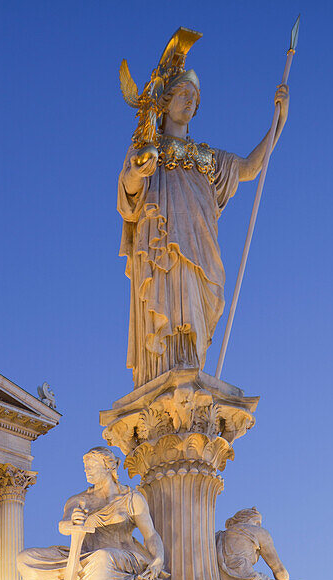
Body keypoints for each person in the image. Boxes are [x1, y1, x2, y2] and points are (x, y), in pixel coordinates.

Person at [118, 29, 289, 385]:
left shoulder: (206, 159)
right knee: (170, 311)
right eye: (183, 94)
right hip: (163, 249)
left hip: (201, 247)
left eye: (194, 97)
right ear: (165, 101)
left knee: (196, 313)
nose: (190, 102)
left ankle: (191, 370)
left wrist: (278, 124)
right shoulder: (150, 152)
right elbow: (129, 196)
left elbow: (250, 168)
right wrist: (136, 171)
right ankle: (167, 372)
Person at [17, 446, 166, 580]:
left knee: (103, 557)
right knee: (26, 557)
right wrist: (73, 521)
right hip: (83, 556)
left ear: (109, 467)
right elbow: (63, 526)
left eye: (92, 465)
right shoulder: (79, 500)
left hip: (123, 559)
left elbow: (151, 535)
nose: (87, 470)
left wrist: (158, 559)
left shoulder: (132, 499)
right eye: (85, 466)